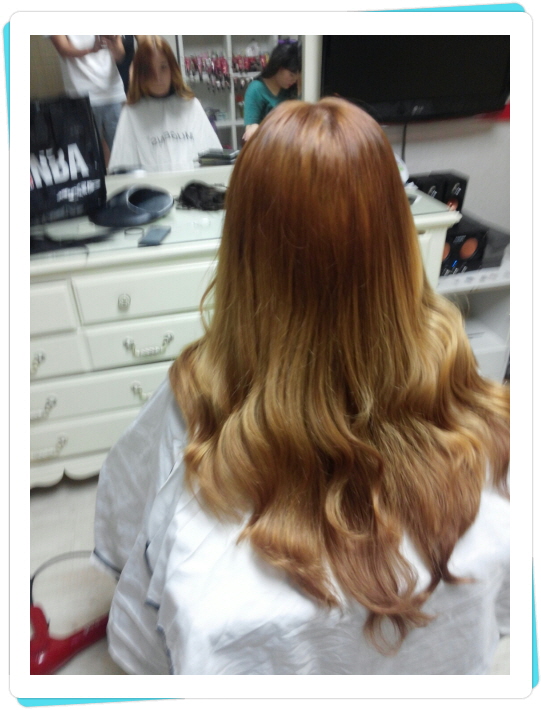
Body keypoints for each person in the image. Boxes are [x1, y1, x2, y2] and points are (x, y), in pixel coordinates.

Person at [93, 97, 510, 675]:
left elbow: (126, 528)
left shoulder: (197, 394)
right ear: (396, 238)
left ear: (245, 254)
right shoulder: (467, 393)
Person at [108, 36, 222, 174]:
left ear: (172, 68)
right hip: (150, 187)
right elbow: (122, 171)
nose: (158, 77)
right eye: (150, 70)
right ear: (140, 74)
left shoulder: (191, 106)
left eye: (163, 67)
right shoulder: (131, 113)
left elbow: (215, 160)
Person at [49, 35, 126, 155]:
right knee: (90, 154)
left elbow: (120, 56)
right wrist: (92, 49)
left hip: (113, 91)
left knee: (123, 152)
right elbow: (63, 50)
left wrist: (115, 42)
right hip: (81, 95)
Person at [242, 41, 301, 142]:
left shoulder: (290, 89)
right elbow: (250, 132)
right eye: (291, 75)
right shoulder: (256, 89)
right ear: (278, 67)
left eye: (297, 76)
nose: (294, 80)